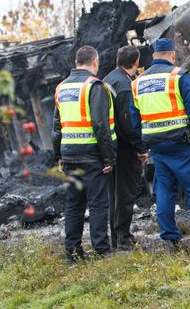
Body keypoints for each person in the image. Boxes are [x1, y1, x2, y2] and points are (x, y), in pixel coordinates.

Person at [132, 38, 190, 251]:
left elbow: (134, 119)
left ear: (153, 56)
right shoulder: (180, 77)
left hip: (157, 148)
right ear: (172, 55)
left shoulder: (137, 83)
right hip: (184, 145)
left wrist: (143, 145)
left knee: (164, 192)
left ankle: (169, 238)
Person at [52, 45, 117, 264]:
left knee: (74, 204)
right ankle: (101, 249)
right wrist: (108, 157)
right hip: (91, 154)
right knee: (98, 203)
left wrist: (57, 155)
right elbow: (100, 125)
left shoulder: (61, 88)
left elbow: (56, 126)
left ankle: (72, 251)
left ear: (76, 61)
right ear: (95, 62)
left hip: (69, 154)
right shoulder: (94, 86)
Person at [103, 46, 148, 250]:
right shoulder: (124, 85)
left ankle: (116, 237)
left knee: (115, 194)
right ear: (136, 62)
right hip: (124, 148)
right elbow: (128, 121)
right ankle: (123, 238)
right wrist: (140, 147)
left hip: (110, 147)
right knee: (125, 194)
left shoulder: (108, 79)